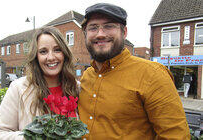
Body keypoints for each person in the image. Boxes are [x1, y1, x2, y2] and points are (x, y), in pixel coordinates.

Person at [78, 3, 190, 139]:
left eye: (109, 26)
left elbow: (175, 135)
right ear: (85, 34)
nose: (100, 34)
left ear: (124, 32)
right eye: (93, 28)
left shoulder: (152, 74)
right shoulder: (86, 76)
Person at [0, 26, 79, 139]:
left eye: (57, 50)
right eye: (43, 51)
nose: (51, 57)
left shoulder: (76, 88)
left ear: (64, 53)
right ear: (36, 56)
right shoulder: (19, 89)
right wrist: (29, 137)